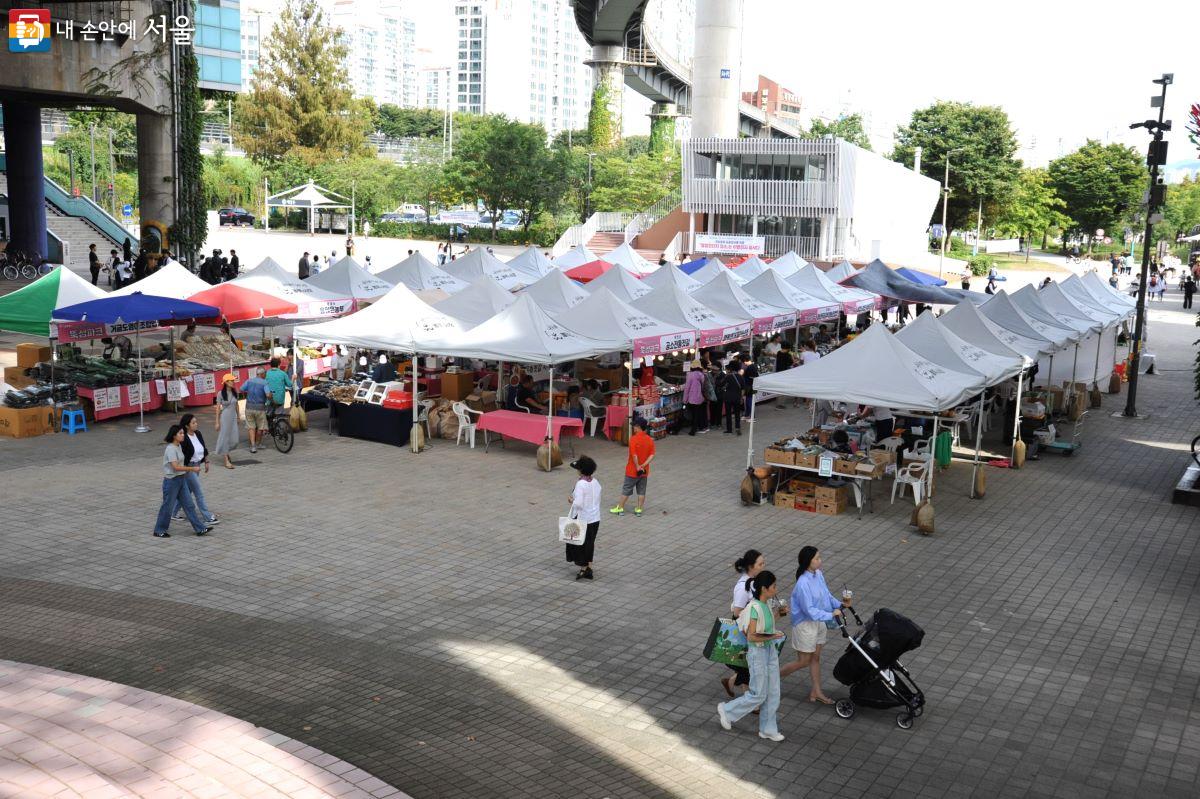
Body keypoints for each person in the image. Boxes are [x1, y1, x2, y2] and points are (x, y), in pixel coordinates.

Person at [716, 570, 786, 742]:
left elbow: (766, 625)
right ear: (764, 588)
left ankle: (768, 729)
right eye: (774, 586)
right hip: (758, 653)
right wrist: (773, 636)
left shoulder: (767, 604)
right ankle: (727, 711)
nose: (776, 589)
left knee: (773, 691)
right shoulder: (754, 608)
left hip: (768, 651)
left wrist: (780, 614)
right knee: (758, 693)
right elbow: (752, 636)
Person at [780, 546, 848, 704]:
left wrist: (841, 604)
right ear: (807, 562)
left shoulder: (818, 574)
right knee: (803, 661)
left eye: (819, 557)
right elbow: (809, 610)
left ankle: (816, 692)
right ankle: (771, 679)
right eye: (817, 558)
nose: (820, 560)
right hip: (805, 625)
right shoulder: (803, 583)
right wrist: (831, 614)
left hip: (819, 622)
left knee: (815, 658)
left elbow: (827, 595)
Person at [720, 549, 784, 700]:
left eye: (764, 563)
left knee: (748, 665)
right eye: (760, 564)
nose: (763, 566)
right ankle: (750, 700)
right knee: (749, 665)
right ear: (751, 566)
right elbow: (737, 612)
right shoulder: (742, 587)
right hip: (745, 629)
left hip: (754, 627)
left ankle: (732, 684)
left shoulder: (756, 581)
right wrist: (754, 615)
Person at [154, 424, 214, 538]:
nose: (183, 435)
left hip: (181, 480)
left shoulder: (179, 446)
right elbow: (175, 467)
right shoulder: (171, 448)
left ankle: (200, 529)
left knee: (189, 505)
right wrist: (192, 468)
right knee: (167, 506)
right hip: (172, 481)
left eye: (183, 433)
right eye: (180, 433)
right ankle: (159, 530)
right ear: (174, 436)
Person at [170, 413, 220, 526]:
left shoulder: (198, 433)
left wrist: (206, 461)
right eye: (193, 423)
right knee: (198, 492)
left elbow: (204, 448)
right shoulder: (183, 437)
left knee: (187, 491)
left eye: (196, 422)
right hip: (189, 468)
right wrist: (190, 468)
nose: (196, 424)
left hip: (197, 466)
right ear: (187, 426)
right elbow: (181, 456)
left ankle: (173, 512)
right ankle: (207, 517)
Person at [565, 456, 601, 580]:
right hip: (595, 517)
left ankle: (584, 568)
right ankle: (589, 566)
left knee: (581, 545)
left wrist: (571, 500)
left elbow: (579, 503)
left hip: (583, 518)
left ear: (581, 470)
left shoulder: (581, 484)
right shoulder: (595, 482)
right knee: (590, 543)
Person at [611, 417, 655, 516]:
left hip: (632, 470)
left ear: (638, 427)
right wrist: (643, 465)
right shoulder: (649, 440)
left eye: (634, 426)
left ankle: (620, 508)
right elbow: (652, 455)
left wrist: (637, 466)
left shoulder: (634, 439)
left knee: (626, 490)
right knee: (641, 491)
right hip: (644, 471)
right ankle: (639, 509)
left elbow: (634, 455)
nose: (633, 427)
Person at [240, 366, 270, 453]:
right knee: (260, 427)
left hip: (249, 407)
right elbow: (268, 395)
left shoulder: (249, 381)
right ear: (262, 374)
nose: (265, 375)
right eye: (265, 374)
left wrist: (249, 392)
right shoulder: (265, 383)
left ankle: (253, 446)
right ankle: (258, 444)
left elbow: (241, 389)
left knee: (251, 427)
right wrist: (271, 395)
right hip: (260, 408)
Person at [213, 373, 239, 469]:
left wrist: (239, 416)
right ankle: (226, 460)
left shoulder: (234, 392)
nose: (233, 382)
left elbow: (236, 404)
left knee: (235, 440)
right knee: (225, 438)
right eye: (231, 380)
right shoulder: (220, 393)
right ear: (226, 382)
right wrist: (217, 422)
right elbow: (218, 408)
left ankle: (226, 451)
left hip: (233, 417)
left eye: (233, 380)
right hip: (224, 417)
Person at [684, 360, 708, 435]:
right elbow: (703, 386)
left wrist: (685, 399)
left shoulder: (690, 375)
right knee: (697, 413)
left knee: (693, 414)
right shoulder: (702, 375)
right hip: (700, 397)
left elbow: (687, 388)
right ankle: (699, 427)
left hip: (691, 398)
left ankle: (693, 430)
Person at [722, 361, 744, 435]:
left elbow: (722, 385)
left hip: (728, 397)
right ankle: (737, 428)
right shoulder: (740, 377)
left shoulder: (728, 376)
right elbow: (743, 389)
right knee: (737, 413)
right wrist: (741, 397)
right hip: (737, 397)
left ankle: (729, 429)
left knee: (728, 414)